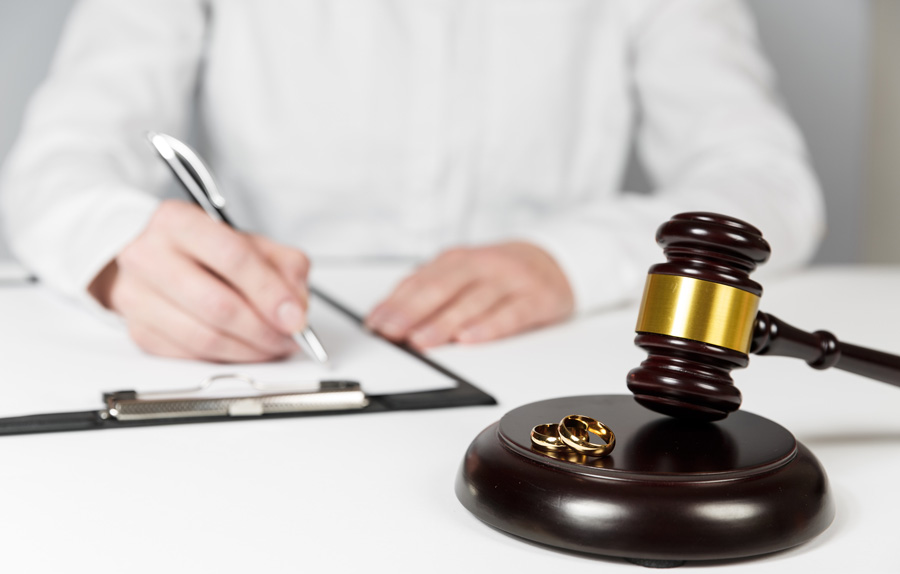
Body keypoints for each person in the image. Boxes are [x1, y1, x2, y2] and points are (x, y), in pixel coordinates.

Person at [0, 0, 824, 363]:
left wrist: (567, 261)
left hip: (562, 355)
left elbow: (767, 184)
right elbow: (53, 166)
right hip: (279, 350)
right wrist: (120, 252)